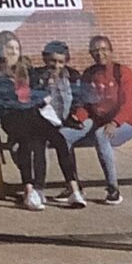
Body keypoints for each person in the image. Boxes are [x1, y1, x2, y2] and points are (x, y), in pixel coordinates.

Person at [0, 31, 48, 210]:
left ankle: (39, 188)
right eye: (10, 48)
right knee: (25, 139)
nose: (14, 52)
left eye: (17, 48)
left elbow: (34, 92)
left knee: (39, 139)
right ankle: (29, 189)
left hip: (29, 113)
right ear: (0, 49)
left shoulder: (23, 68)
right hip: (9, 116)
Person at [68, 33, 132, 204]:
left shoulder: (122, 72)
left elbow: (129, 103)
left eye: (104, 49)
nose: (100, 54)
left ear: (111, 51)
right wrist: (78, 118)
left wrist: (115, 122)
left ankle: (113, 188)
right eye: (95, 50)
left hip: (124, 122)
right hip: (97, 119)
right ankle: (73, 186)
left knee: (102, 135)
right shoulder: (89, 74)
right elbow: (85, 103)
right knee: (64, 135)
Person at [30, 41, 87, 208]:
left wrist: (76, 115)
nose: (56, 66)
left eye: (61, 62)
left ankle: (74, 190)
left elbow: (79, 100)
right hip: (41, 122)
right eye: (52, 61)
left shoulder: (73, 76)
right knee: (40, 144)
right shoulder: (36, 76)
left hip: (64, 122)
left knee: (62, 141)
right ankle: (39, 190)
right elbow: (31, 101)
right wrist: (46, 86)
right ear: (45, 59)